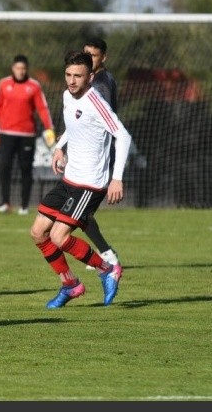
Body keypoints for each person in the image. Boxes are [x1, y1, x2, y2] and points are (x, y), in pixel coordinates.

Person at [30, 50, 131, 309]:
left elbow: (123, 135)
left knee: (59, 237)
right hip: (69, 179)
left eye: (78, 76)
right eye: (68, 75)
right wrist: (59, 147)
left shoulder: (96, 102)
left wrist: (116, 178)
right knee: (38, 232)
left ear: (90, 77)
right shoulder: (67, 95)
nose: (72, 80)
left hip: (90, 183)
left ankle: (108, 269)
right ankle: (70, 284)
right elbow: (72, 127)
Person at [0, 54, 56, 215]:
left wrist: (49, 128)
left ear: (27, 70)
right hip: (6, 133)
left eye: (23, 68)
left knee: (26, 169)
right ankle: (5, 202)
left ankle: (24, 206)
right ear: (13, 68)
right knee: (5, 167)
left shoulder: (34, 86)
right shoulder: (4, 84)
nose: (20, 71)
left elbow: (42, 108)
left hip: (27, 135)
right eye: (18, 68)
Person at [81, 37, 121, 270]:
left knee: (80, 212)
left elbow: (99, 120)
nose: (88, 58)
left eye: (93, 55)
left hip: (100, 157)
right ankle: (105, 252)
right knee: (80, 213)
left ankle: (105, 253)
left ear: (103, 57)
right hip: (88, 155)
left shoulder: (103, 82)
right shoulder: (90, 79)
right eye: (85, 53)